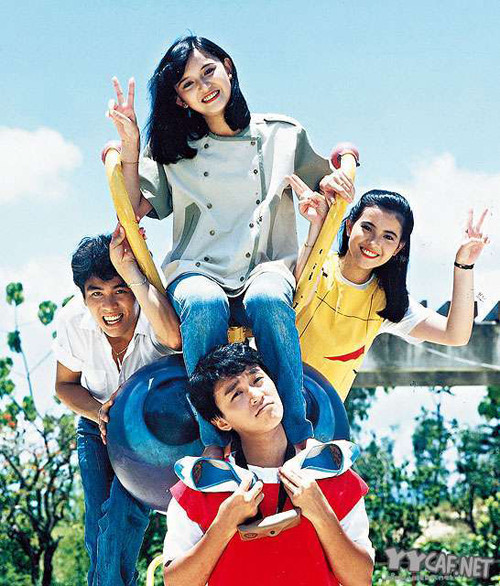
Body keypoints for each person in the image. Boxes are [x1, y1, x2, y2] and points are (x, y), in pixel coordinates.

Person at [107, 34, 354, 454]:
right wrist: (130, 146)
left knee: (269, 300)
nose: (204, 87)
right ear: (180, 99)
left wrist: (336, 184)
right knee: (203, 304)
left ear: (228, 67)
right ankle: (213, 443)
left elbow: (326, 190)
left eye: (208, 72)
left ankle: (298, 435)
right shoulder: (174, 150)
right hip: (197, 268)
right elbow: (132, 210)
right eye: (188, 84)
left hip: (265, 264)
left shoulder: (282, 134)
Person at [163, 343, 374, 586]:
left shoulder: (331, 470)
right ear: (221, 422)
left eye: (258, 380)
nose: (256, 395)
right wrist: (223, 525)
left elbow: (361, 579)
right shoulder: (200, 485)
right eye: (236, 394)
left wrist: (321, 512)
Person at [54, 228, 181, 586]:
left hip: (150, 431)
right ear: (83, 297)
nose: (109, 306)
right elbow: (64, 386)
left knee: (122, 518)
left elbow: (175, 339)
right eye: (96, 294)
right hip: (96, 424)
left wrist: (135, 274)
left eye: (119, 290)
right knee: (97, 528)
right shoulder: (72, 321)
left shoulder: (155, 314)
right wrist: (99, 412)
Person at [289, 174, 490, 399]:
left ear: (398, 248)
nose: (374, 242)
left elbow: (455, 335)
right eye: (367, 228)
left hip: (320, 415)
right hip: (267, 398)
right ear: (349, 226)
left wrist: (464, 265)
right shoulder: (314, 262)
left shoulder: (387, 300)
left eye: (388, 237)